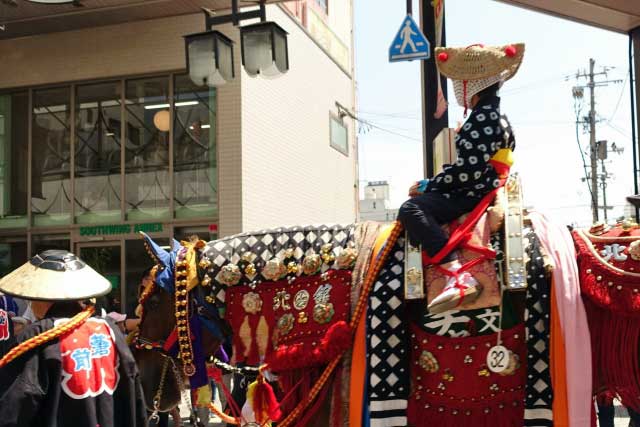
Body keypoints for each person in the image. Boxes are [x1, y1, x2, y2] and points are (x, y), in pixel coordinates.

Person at [397, 43, 524, 314]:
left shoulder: (482, 118)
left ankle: (456, 272)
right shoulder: (500, 116)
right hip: (485, 187)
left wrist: (429, 184)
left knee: (411, 208)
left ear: (472, 84)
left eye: (459, 81)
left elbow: (468, 172)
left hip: (471, 192)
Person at [0, 249, 147, 427]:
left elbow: (14, 409)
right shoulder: (111, 330)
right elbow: (134, 399)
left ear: (44, 296)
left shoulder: (38, 336)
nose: (31, 303)